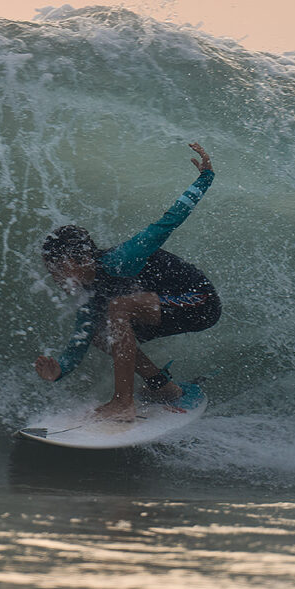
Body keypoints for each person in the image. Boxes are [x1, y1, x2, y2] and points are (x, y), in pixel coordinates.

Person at [35, 143, 221, 419]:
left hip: (199, 300)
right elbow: (80, 342)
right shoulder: (90, 293)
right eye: (52, 272)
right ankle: (163, 387)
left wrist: (205, 178)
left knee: (118, 308)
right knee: (99, 333)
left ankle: (123, 403)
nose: (57, 278)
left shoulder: (123, 258)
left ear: (83, 259)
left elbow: (168, 222)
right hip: (165, 309)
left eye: (60, 269)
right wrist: (59, 369)